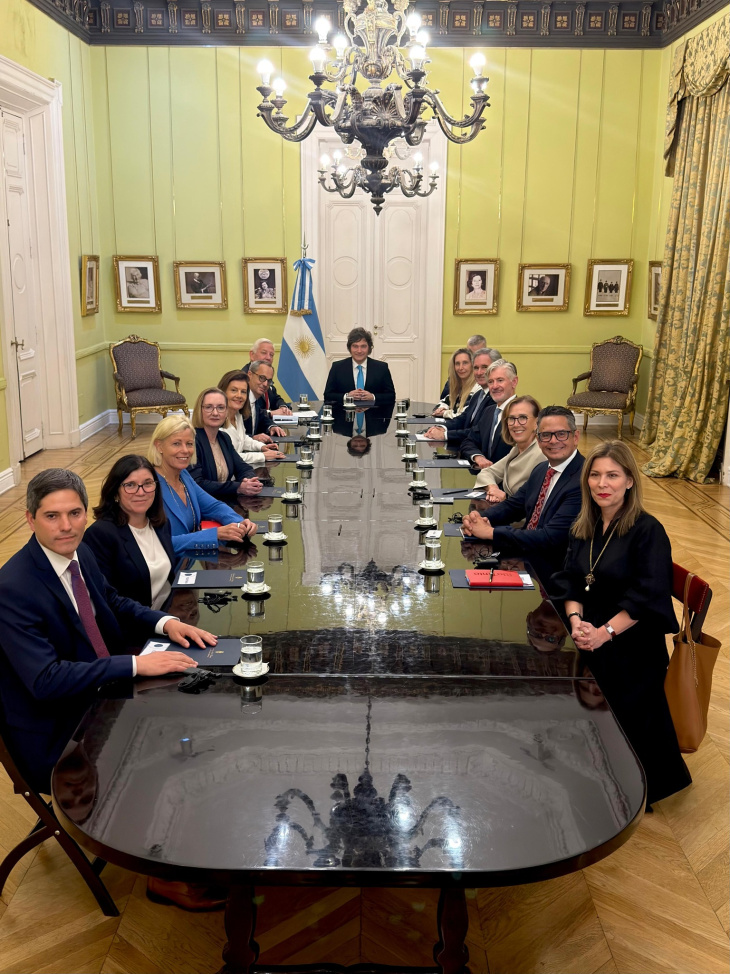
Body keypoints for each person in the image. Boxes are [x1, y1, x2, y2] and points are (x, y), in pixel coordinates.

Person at [0, 468, 216, 794]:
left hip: (100, 690)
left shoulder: (80, 551)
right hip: (59, 728)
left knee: (188, 720)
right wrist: (134, 665)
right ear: (31, 520)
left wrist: (165, 622)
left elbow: (112, 600)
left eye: (75, 513)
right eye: (52, 516)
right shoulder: (12, 588)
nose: (66, 526)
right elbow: (46, 680)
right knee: (158, 768)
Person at [552, 440, 691, 806]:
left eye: (612, 475)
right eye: (595, 475)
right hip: (590, 628)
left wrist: (604, 633)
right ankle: (591, 765)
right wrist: (576, 621)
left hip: (633, 638)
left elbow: (647, 595)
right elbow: (571, 581)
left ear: (629, 480)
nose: (603, 484)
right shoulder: (584, 524)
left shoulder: (648, 530)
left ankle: (634, 783)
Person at [461, 405, 584, 576]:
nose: (553, 441)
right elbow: (513, 506)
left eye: (561, 434)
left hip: (555, 570)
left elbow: (551, 537)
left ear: (575, 437)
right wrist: (479, 519)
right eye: (546, 435)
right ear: (538, 440)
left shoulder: (583, 479)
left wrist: (491, 532)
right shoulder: (542, 469)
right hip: (525, 557)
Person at [148, 416, 257, 553]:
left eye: (189, 444)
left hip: (190, 559)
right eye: (176, 444)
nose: (185, 450)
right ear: (159, 446)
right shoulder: (148, 485)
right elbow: (157, 544)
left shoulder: (183, 475)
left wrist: (238, 522)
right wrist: (213, 535)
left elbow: (213, 506)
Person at [84, 456, 176, 610]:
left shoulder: (161, 524)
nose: (141, 492)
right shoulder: (100, 534)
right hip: (135, 622)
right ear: (115, 492)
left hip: (167, 612)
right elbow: (107, 599)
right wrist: (158, 621)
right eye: (130, 485)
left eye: (147, 483)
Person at [188, 387, 264, 503]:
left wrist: (250, 481)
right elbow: (198, 484)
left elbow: (243, 468)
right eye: (208, 407)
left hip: (223, 502)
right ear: (200, 410)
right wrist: (238, 487)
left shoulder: (224, 438)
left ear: (226, 411)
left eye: (220, 407)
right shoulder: (191, 440)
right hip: (202, 505)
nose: (215, 413)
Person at [424, 348, 501, 448]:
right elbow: (462, 419)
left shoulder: (495, 398)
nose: (479, 372)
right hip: (467, 447)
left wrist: (445, 435)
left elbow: (479, 432)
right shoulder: (479, 395)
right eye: (476, 368)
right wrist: (442, 428)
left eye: (484, 367)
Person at [475, 395, 544, 503]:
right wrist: (493, 488)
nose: (516, 424)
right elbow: (487, 473)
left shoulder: (542, 454)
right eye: (511, 419)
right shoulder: (516, 450)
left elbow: (533, 501)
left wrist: (504, 499)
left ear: (537, 423)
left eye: (523, 418)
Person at [460, 359, 519, 468]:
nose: (494, 386)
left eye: (500, 380)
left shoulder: (522, 414)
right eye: (491, 382)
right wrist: (477, 457)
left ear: (514, 382)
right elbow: (469, 441)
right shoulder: (489, 411)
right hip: (484, 475)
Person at [218, 370, 285, 465]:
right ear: (223, 392)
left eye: (243, 392)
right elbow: (230, 457)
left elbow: (242, 439)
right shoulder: (216, 421)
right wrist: (263, 456)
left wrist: (261, 447)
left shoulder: (237, 415)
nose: (239, 395)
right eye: (234, 390)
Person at [323, 327, 396, 404]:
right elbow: (327, 395)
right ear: (349, 348)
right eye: (355, 346)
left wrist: (373, 397)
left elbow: (391, 396)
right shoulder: (337, 367)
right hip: (345, 411)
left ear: (369, 348)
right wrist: (347, 396)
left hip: (374, 411)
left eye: (363, 346)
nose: (359, 351)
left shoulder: (381, 368)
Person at [242, 338, 291, 414]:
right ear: (252, 355)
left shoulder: (267, 376)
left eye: (271, 355)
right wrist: (270, 413)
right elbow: (247, 410)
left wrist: (283, 407)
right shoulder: (242, 378)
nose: (268, 358)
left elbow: (275, 398)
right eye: (264, 353)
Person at [439, 335, 492, 403]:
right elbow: (443, 400)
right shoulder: (455, 379)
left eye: (478, 354)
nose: (473, 358)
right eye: (470, 353)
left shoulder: (486, 379)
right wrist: (444, 406)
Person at [432, 348, 479, 419]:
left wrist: (445, 413)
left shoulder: (477, 389)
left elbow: (462, 415)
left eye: (465, 363)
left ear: (472, 365)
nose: (460, 368)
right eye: (457, 364)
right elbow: (443, 402)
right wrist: (442, 408)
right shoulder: (459, 387)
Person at [246, 361, 288, 440]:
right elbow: (233, 434)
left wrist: (272, 427)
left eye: (269, 381)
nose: (265, 384)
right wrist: (253, 438)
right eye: (262, 378)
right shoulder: (241, 399)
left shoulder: (254, 399)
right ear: (250, 375)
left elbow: (261, 418)